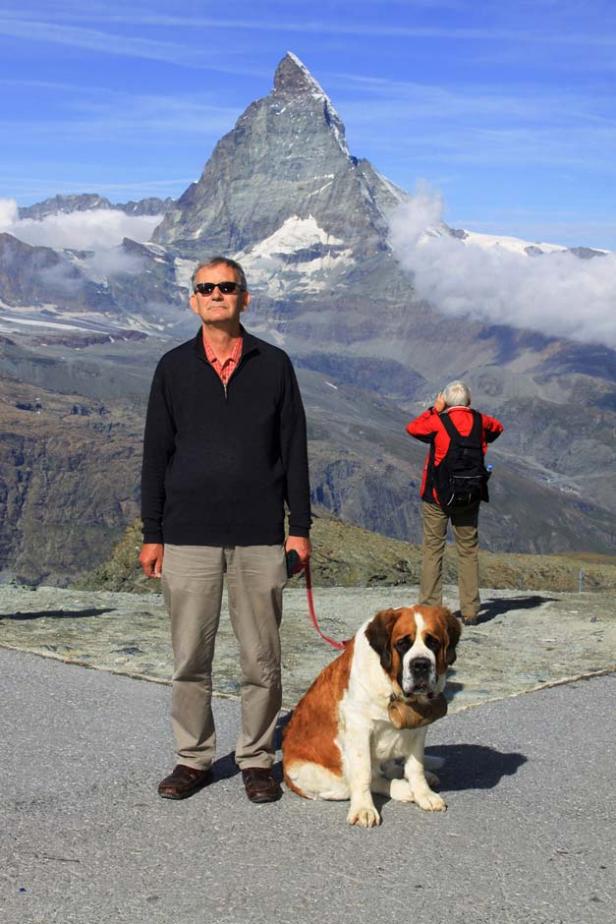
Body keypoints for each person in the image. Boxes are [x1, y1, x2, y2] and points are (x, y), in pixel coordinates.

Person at [139, 256, 311, 804]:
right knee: (190, 657)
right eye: (206, 288)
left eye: (227, 287)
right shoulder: (172, 368)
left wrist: (299, 527)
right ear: (193, 300)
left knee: (261, 658)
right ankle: (193, 758)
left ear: (245, 298)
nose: (216, 294)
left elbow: (295, 452)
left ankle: (257, 758)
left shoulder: (275, 365)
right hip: (187, 535)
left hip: (261, 535)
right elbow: (154, 455)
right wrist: (152, 531)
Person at [406, 381, 503, 625]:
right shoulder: (481, 421)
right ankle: (470, 611)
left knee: (432, 550)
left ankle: (430, 610)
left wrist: (435, 409)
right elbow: (497, 428)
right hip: (469, 497)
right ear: (469, 402)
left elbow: (413, 428)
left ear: (446, 401)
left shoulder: (438, 421)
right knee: (468, 551)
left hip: (437, 497)